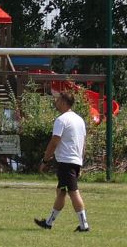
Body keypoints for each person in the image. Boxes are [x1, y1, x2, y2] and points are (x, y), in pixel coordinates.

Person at [36, 90, 89, 232]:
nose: (56, 102)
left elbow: (54, 142)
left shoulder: (61, 120)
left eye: (58, 100)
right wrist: (80, 161)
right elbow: (83, 144)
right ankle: (48, 222)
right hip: (74, 160)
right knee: (61, 191)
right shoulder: (79, 120)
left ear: (64, 102)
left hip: (66, 162)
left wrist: (45, 160)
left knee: (73, 192)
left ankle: (84, 225)